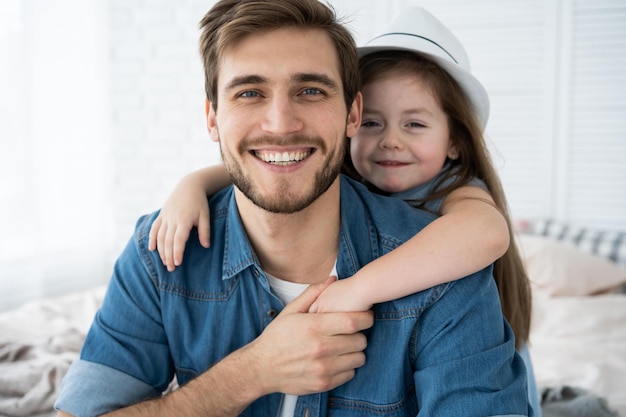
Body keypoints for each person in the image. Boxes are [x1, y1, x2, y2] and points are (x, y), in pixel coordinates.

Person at [55, 1, 531, 416]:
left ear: (347, 113)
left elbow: (484, 231)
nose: (281, 124)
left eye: (310, 91)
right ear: (212, 118)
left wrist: (356, 290)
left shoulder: (444, 259)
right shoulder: (159, 251)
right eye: (249, 92)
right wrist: (252, 372)